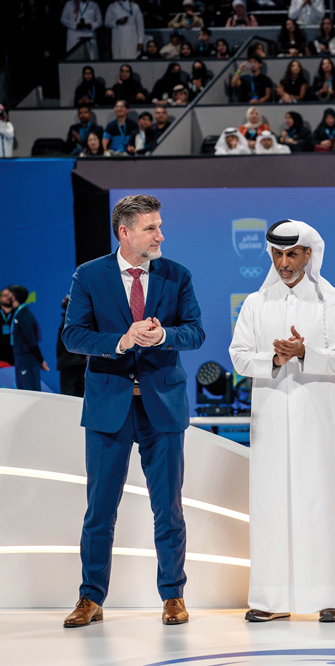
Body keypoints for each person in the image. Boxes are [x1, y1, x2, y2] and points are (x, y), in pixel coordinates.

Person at [58, 194, 202, 633]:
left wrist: (161, 337)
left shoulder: (176, 275)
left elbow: (194, 332)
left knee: (169, 509)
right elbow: (73, 336)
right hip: (109, 407)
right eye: (150, 228)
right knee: (99, 510)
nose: (160, 236)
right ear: (124, 232)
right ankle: (90, 598)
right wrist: (122, 340)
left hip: (162, 406)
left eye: (159, 227)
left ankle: (173, 595)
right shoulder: (89, 275)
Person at [228, 219, 335, 623]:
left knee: (321, 504)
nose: (284, 263)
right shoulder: (255, 303)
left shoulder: (333, 302)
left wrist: (304, 352)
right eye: (277, 255)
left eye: (291, 254)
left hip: (318, 422)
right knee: (271, 505)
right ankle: (271, 598)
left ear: (307, 255)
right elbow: (240, 356)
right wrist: (276, 359)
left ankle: (328, 597)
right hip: (272, 420)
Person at [7, 285, 46, 391]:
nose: (7, 296)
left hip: (28, 362)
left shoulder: (24, 315)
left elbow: (32, 341)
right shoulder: (19, 313)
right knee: (23, 395)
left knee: (31, 395)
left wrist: (40, 360)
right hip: (21, 361)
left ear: (14, 296)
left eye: (10, 294)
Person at [57, 295, 87, 397]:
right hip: (75, 363)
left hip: (72, 363)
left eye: (65, 299)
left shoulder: (71, 320)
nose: (62, 300)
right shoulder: (73, 319)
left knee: (69, 396)